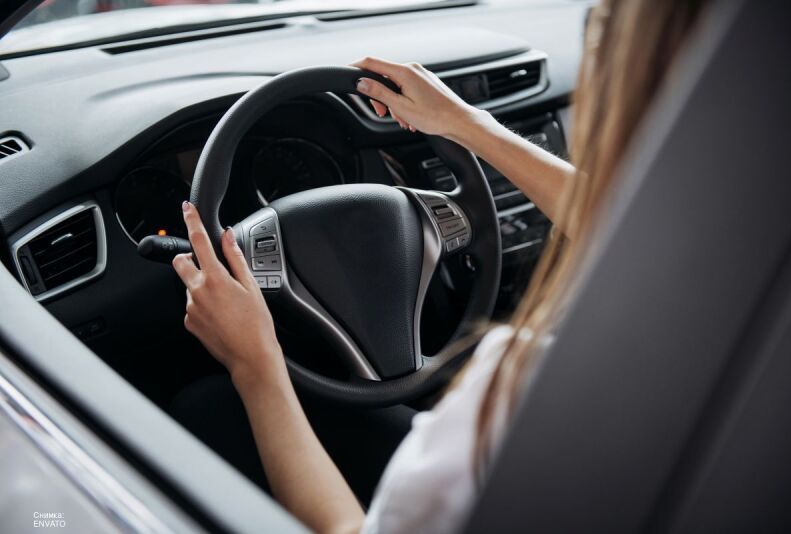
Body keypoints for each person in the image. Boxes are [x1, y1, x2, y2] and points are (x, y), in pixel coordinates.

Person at [170, 1, 708, 532]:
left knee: (206, 407)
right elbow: (633, 228)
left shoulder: (505, 397)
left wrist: (255, 363)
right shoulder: (722, 308)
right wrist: (468, 125)